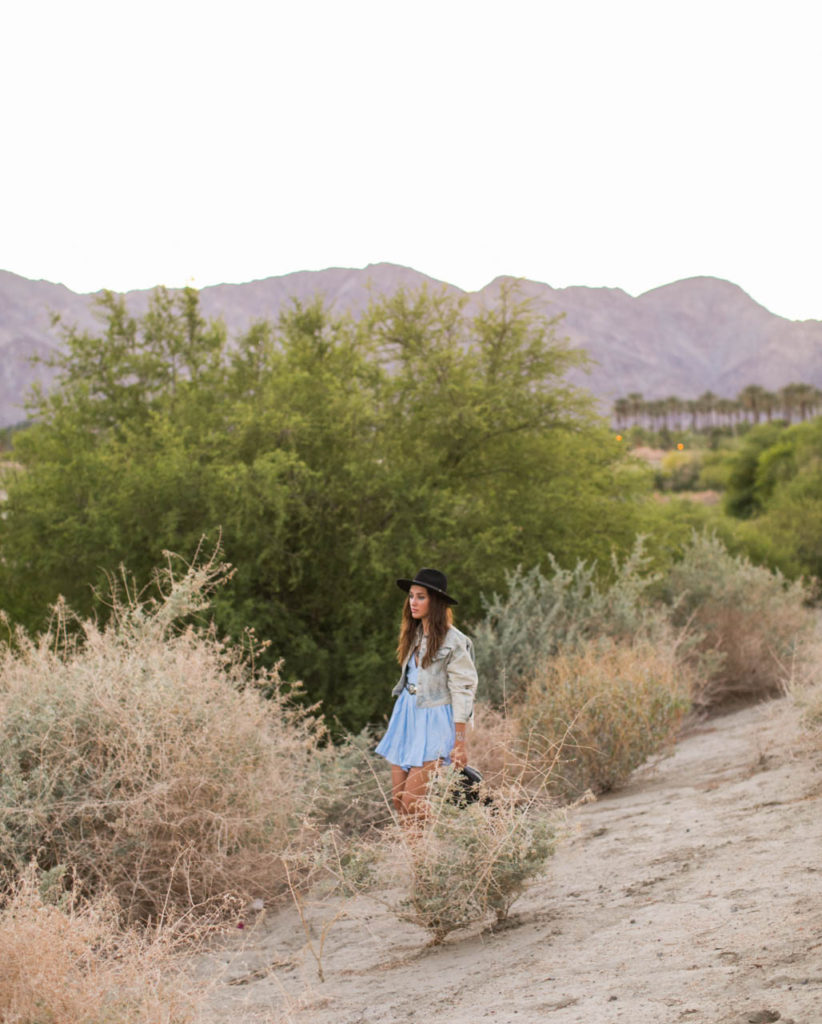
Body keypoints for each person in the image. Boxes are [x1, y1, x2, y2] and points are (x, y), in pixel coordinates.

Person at [375, 567, 479, 821]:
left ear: (436, 601)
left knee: (413, 801)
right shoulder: (413, 633)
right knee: (400, 802)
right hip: (406, 715)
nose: (413, 602)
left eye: (420, 596)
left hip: (434, 720)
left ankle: (435, 851)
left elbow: (463, 690)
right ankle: (418, 860)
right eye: (411, 596)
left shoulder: (455, 641)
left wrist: (460, 742)